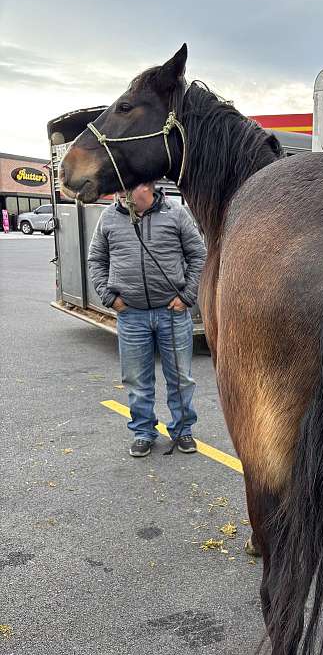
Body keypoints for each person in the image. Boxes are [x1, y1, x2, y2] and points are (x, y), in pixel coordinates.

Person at [88, 182, 206, 457]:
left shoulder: (175, 213)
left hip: (172, 314)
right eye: (117, 189)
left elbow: (198, 255)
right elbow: (96, 259)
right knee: (136, 380)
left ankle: (182, 431)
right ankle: (143, 432)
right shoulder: (109, 217)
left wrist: (187, 296)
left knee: (180, 379)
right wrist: (110, 298)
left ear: (148, 187)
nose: (120, 194)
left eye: (127, 188)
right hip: (132, 316)